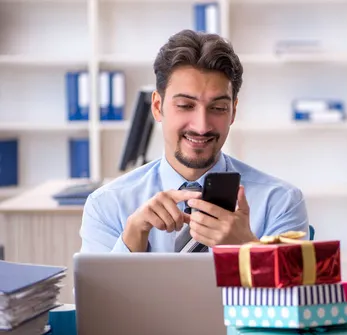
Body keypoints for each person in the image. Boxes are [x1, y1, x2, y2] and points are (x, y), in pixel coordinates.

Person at [79, 29, 309, 253]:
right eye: (185, 106)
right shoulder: (107, 205)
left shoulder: (280, 201)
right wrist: (131, 240)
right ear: (158, 107)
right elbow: (95, 293)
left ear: (233, 112)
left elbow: (296, 292)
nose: (201, 126)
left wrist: (248, 250)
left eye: (218, 108)